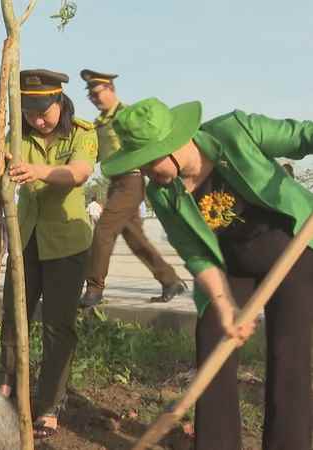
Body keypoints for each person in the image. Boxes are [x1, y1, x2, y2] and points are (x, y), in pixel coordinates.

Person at [101, 97, 313, 450]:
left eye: (149, 162)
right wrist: (226, 307)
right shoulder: (163, 192)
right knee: (213, 335)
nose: (147, 173)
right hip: (230, 266)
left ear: (171, 146)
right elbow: (196, 253)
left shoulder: (235, 131)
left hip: (291, 252)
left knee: (288, 352)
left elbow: (301, 136)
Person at [0, 69, 97, 439]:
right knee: (13, 315)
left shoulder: (83, 133)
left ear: (60, 101)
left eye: (44, 110)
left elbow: (79, 173)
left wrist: (36, 170)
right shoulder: (18, 133)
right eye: (29, 111)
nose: (37, 118)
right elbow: (7, 162)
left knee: (57, 326)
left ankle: (50, 402)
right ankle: (9, 384)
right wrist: (3, 164)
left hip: (67, 243)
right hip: (26, 240)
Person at [78, 69, 186, 306]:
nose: (94, 98)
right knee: (135, 239)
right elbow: (97, 153)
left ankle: (94, 289)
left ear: (110, 89)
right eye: (91, 96)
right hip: (115, 183)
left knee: (104, 231)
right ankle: (170, 281)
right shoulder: (99, 123)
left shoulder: (128, 116)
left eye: (97, 93)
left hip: (132, 179)